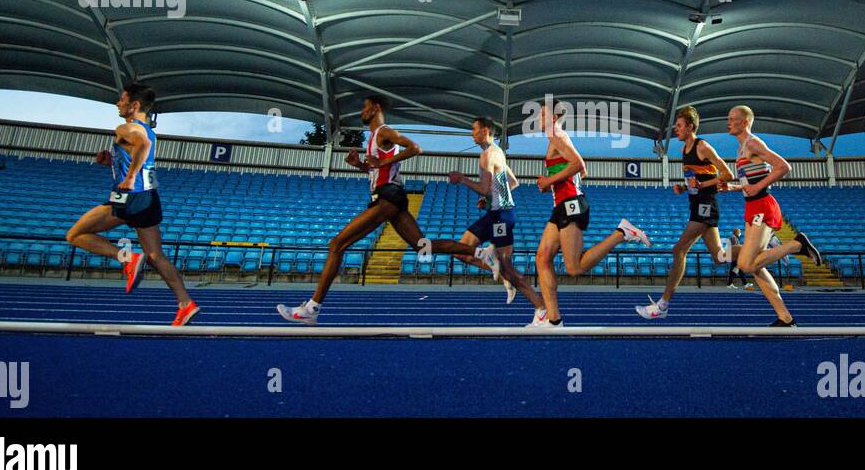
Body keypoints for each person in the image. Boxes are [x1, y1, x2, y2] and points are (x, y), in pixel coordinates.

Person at [277, 95, 500, 324]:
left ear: (375, 108)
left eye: (364, 107)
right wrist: (361, 166)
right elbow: (378, 171)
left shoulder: (384, 131)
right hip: (390, 198)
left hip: (388, 198)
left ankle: (312, 309)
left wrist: (381, 163)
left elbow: (415, 148)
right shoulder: (374, 137)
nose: (362, 112)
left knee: (337, 244)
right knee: (424, 246)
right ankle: (481, 253)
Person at [64, 82, 199, 326]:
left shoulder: (127, 127)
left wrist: (129, 177)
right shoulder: (148, 129)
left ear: (134, 105)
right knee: (155, 254)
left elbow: (143, 146)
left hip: (129, 197)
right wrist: (112, 163)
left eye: (122, 99)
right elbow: (140, 150)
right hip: (149, 198)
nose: (118, 103)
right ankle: (185, 303)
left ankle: (126, 259)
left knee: (75, 234)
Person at [531, 97, 651, 328]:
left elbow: (578, 163)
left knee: (573, 268)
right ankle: (552, 319)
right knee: (542, 258)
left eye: (543, 114)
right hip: (563, 205)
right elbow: (582, 171)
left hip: (571, 206)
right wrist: (554, 184)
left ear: (553, 118)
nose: (539, 118)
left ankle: (621, 232)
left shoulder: (556, 135)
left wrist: (549, 181)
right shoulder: (555, 138)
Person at [717, 105, 821, 327]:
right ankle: (785, 317)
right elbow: (750, 181)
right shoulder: (740, 149)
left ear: (745, 122)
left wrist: (759, 187)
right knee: (753, 267)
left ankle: (796, 245)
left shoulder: (753, 143)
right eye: (728, 118)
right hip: (752, 207)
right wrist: (734, 188)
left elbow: (783, 167)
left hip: (762, 205)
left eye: (733, 119)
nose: (728, 122)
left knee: (745, 264)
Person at [637, 106, 733, 319]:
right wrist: (684, 187)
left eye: (679, 126)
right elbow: (694, 180)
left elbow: (728, 174)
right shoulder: (683, 150)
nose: (676, 130)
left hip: (705, 204)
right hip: (696, 203)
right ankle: (768, 249)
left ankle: (663, 305)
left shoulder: (703, 147)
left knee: (678, 249)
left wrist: (702, 185)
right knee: (719, 257)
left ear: (690, 126)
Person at [447, 117, 546, 322]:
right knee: (460, 251)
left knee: (506, 266)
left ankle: (541, 308)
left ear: (484, 131)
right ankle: (497, 268)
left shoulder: (486, 156)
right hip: (499, 213)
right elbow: (513, 182)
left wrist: (463, 179)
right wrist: (488, 197)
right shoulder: (498, 152)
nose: (471, 133)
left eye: (474, 129)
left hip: (500, 216)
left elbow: (485, 186)